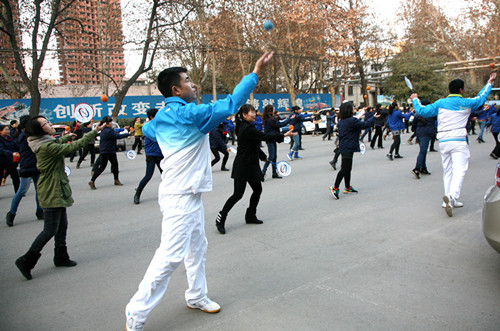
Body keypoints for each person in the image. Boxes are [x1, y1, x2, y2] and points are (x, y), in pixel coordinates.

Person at [125, 51, 275, 331]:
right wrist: (255, 72)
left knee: (197, 249)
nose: (193, 84)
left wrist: (159, 129)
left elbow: (147, 129)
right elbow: (231, 103)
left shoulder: (161, 118)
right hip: (179, 198)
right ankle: (135, 314)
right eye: (188, 80)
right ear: (176, 89)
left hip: (186, 195)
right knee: (169, 257)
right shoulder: (189, 115)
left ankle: (196, 296)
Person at [14, 116, 104, 280]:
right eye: (45, 123)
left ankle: (61, 256)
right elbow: (73, 147)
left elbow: (56, 144)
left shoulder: (44, 141)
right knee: (50, 228)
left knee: (62, 225)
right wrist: (93, 133)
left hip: (55, 185)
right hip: (51, 188)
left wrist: (65, 138)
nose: (49, 124)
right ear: (39, 129)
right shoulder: (46, 146)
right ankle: (26, 260)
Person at [411, 72, 497, 217]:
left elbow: (421, 111)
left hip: (443, 141)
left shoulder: (440, 103)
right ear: (461, 90)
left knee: (448, 170)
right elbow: (482, 97)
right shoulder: (467, 102)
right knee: (460, 170)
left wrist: (414, 99)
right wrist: (489, 82)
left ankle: (448, 200)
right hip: (458, 140)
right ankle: (452, 197)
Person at [215, 104, 296, 234]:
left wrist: (263, 157)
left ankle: (250, 215)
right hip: (242, 166)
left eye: (254, 111)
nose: (254, 114)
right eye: (252, 112)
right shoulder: (246, 128)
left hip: (251, 165)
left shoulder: (248, 127)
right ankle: (221, 218)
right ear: (244, 115)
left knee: (257, 190)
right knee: (238, 195)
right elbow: (264, 137)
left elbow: (254, 145)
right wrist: (283, 135)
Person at [329, 102, 377, 199]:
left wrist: (363, 113)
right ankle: (335, 187)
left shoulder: (342, 120)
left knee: (347, 168)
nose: (353, 109)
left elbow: (357, 120)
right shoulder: (351, 120)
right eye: (352, 108)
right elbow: (365, 124)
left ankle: (347, 187)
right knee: (344, 168)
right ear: (348, 110)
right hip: (347, 147)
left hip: (345, 146)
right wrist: (374, 117)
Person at [6, 116, 44, 226]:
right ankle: (11, 213)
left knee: (39, 190)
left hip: (35, 165)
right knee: (22, 191)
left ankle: (40, 211)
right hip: (27, 166)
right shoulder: (25, 135)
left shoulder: (26, 134)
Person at [88, 116, 129, 189]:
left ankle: (116, 180)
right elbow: (117, 136)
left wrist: (116, 148)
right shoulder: (107, 131)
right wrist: (128, 134)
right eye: (110, 122)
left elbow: (112, 140)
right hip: (105, 151)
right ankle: (92, 181)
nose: (111, 123)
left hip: (110, 150)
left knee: (115, 165)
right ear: (106, 123)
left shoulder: (108, 130)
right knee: (102, 167)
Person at [134, 109, 163, 204]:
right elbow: (156, 137)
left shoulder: (160, 124)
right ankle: (137, 193)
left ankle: (169, 194)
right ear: (152, 117)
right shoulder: (147, 126)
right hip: (151, 154)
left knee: (166, 175)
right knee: (148, 176)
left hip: (161, 154)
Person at [261, 104, 291, 179]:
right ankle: (263, 172)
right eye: (273, 109)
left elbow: (278, 119)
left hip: (272, 138)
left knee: (274, 157)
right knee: (271, 156)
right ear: (270, 111)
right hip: (270, 139)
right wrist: (289, 119)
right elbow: (280, 124)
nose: (274, 110)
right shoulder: (270, 120)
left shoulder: (268, 118)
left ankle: (274, 173)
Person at [411, 100, 436, 179]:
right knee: (422, 151)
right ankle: (417, 168)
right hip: (427, 133)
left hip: (419, 133)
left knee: (423, 150)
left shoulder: (418, 115)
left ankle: (423, 168)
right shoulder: (432, 114)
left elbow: (413, 127)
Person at [0, 124, 20, 193]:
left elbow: (16, 146)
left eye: (8, 129)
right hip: (1, 160)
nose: (8, 131)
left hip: (9, 160)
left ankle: (18, 192)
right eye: (6, 129)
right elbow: (1, 149)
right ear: (0, 131)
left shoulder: (10, 138)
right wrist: (11, 153)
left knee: (15, 176)